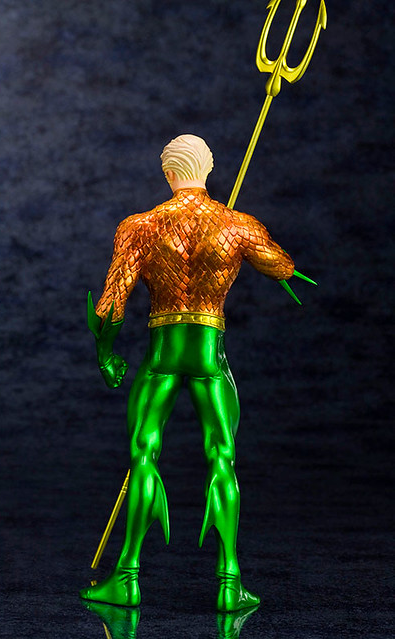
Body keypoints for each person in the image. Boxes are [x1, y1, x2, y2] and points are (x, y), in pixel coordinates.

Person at [80, 134, 294, 612]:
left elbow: (111, 305)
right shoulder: (237, 224)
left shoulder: (140, 226)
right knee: (222, 456)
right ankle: (229, 582)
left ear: (168, 174)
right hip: (209, 357)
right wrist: (238, 238)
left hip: (162, 355)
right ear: (208, 170)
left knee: (143, 453)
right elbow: (282, 267)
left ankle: (127, 577)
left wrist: (106, 355)